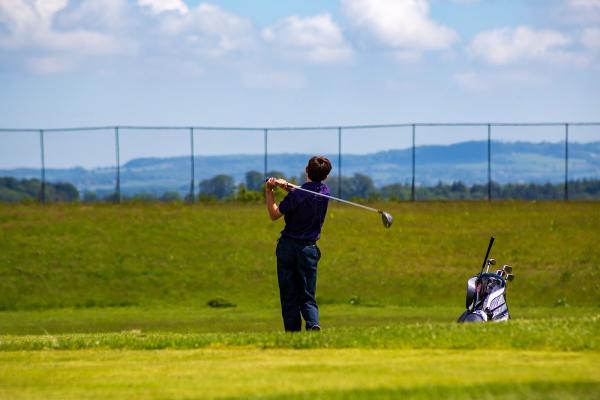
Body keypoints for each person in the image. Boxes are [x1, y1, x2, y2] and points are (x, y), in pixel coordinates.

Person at [264, 156, 332, 332]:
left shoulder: (298, 195)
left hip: (288, 248)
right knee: (307, 294)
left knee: (289, 295)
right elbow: (304, 194)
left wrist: (270, 190)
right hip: (308, 249)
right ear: (326, 176)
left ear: (306, 170)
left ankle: (293, 333)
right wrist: (287, 187)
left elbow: (274, 214)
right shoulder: (324, 192)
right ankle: (313, 323)